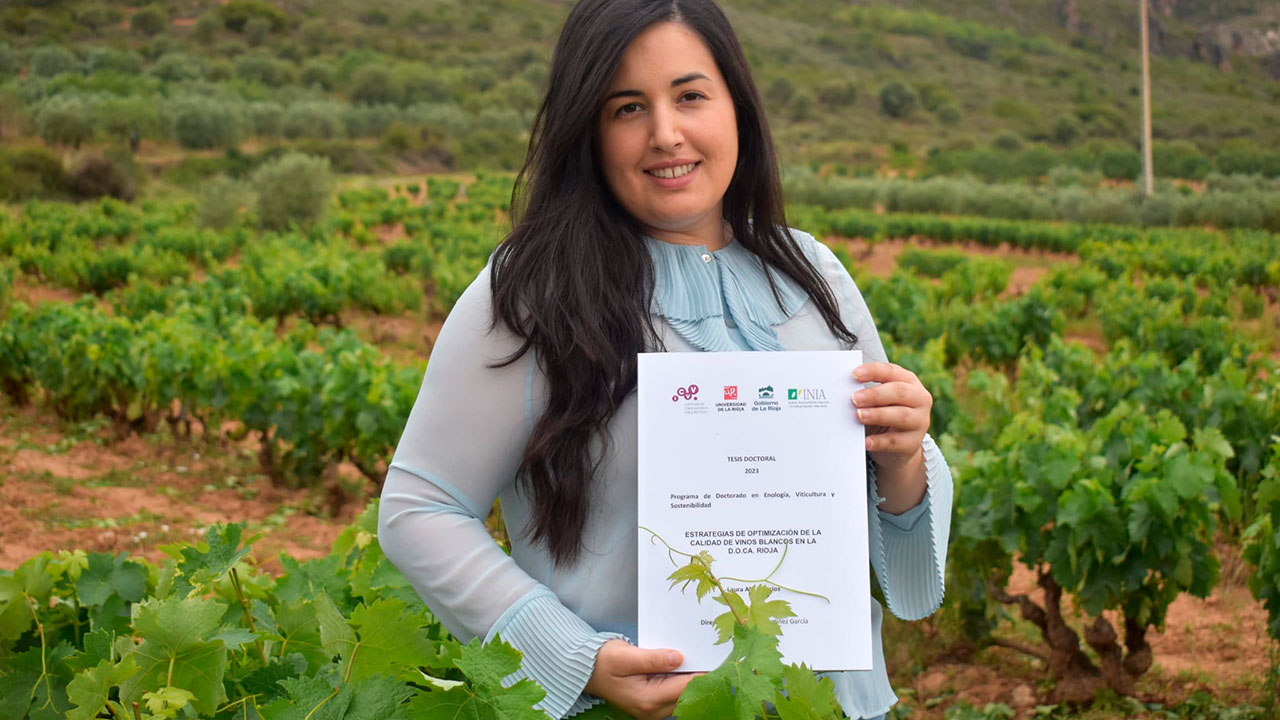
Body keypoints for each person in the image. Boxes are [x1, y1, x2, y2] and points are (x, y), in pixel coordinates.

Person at [377, 1, 953, 718]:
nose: (665, 133)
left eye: (689, 96)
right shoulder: (529, 293)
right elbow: (419, 507)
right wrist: (574, 658)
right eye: (626, 108)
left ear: (736, 107)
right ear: (587, 130)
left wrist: (903, 460)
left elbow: (878, 511)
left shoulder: (813, 274)